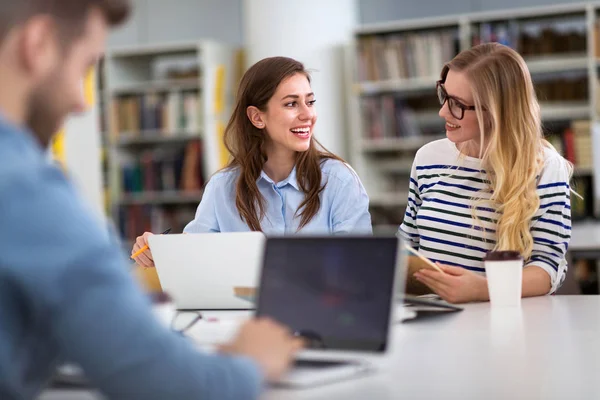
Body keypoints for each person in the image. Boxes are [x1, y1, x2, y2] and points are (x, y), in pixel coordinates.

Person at [0, 1, 302, 399]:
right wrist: (252, 363)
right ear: (37, 45)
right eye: (84, 69)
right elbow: (165, 383)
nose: (82, 102)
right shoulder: (26, 190)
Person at [132, 56, 372, 268]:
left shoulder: (339, 180)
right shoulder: (222, 186)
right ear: (257, 117)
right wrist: (156, 251)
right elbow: (193, 257)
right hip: (241, 316)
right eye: (291, 104)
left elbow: (360, 266)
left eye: (309, 102)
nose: (308, 114)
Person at [399, 43, 572, 304]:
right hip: (430, 321)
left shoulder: (546, 168)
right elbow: (407, 242)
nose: (443, 111)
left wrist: (484, 289)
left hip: (502, 322)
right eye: (444, 95)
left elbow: (548, 267)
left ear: (497, 111)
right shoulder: (427, 158)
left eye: (457, 104)